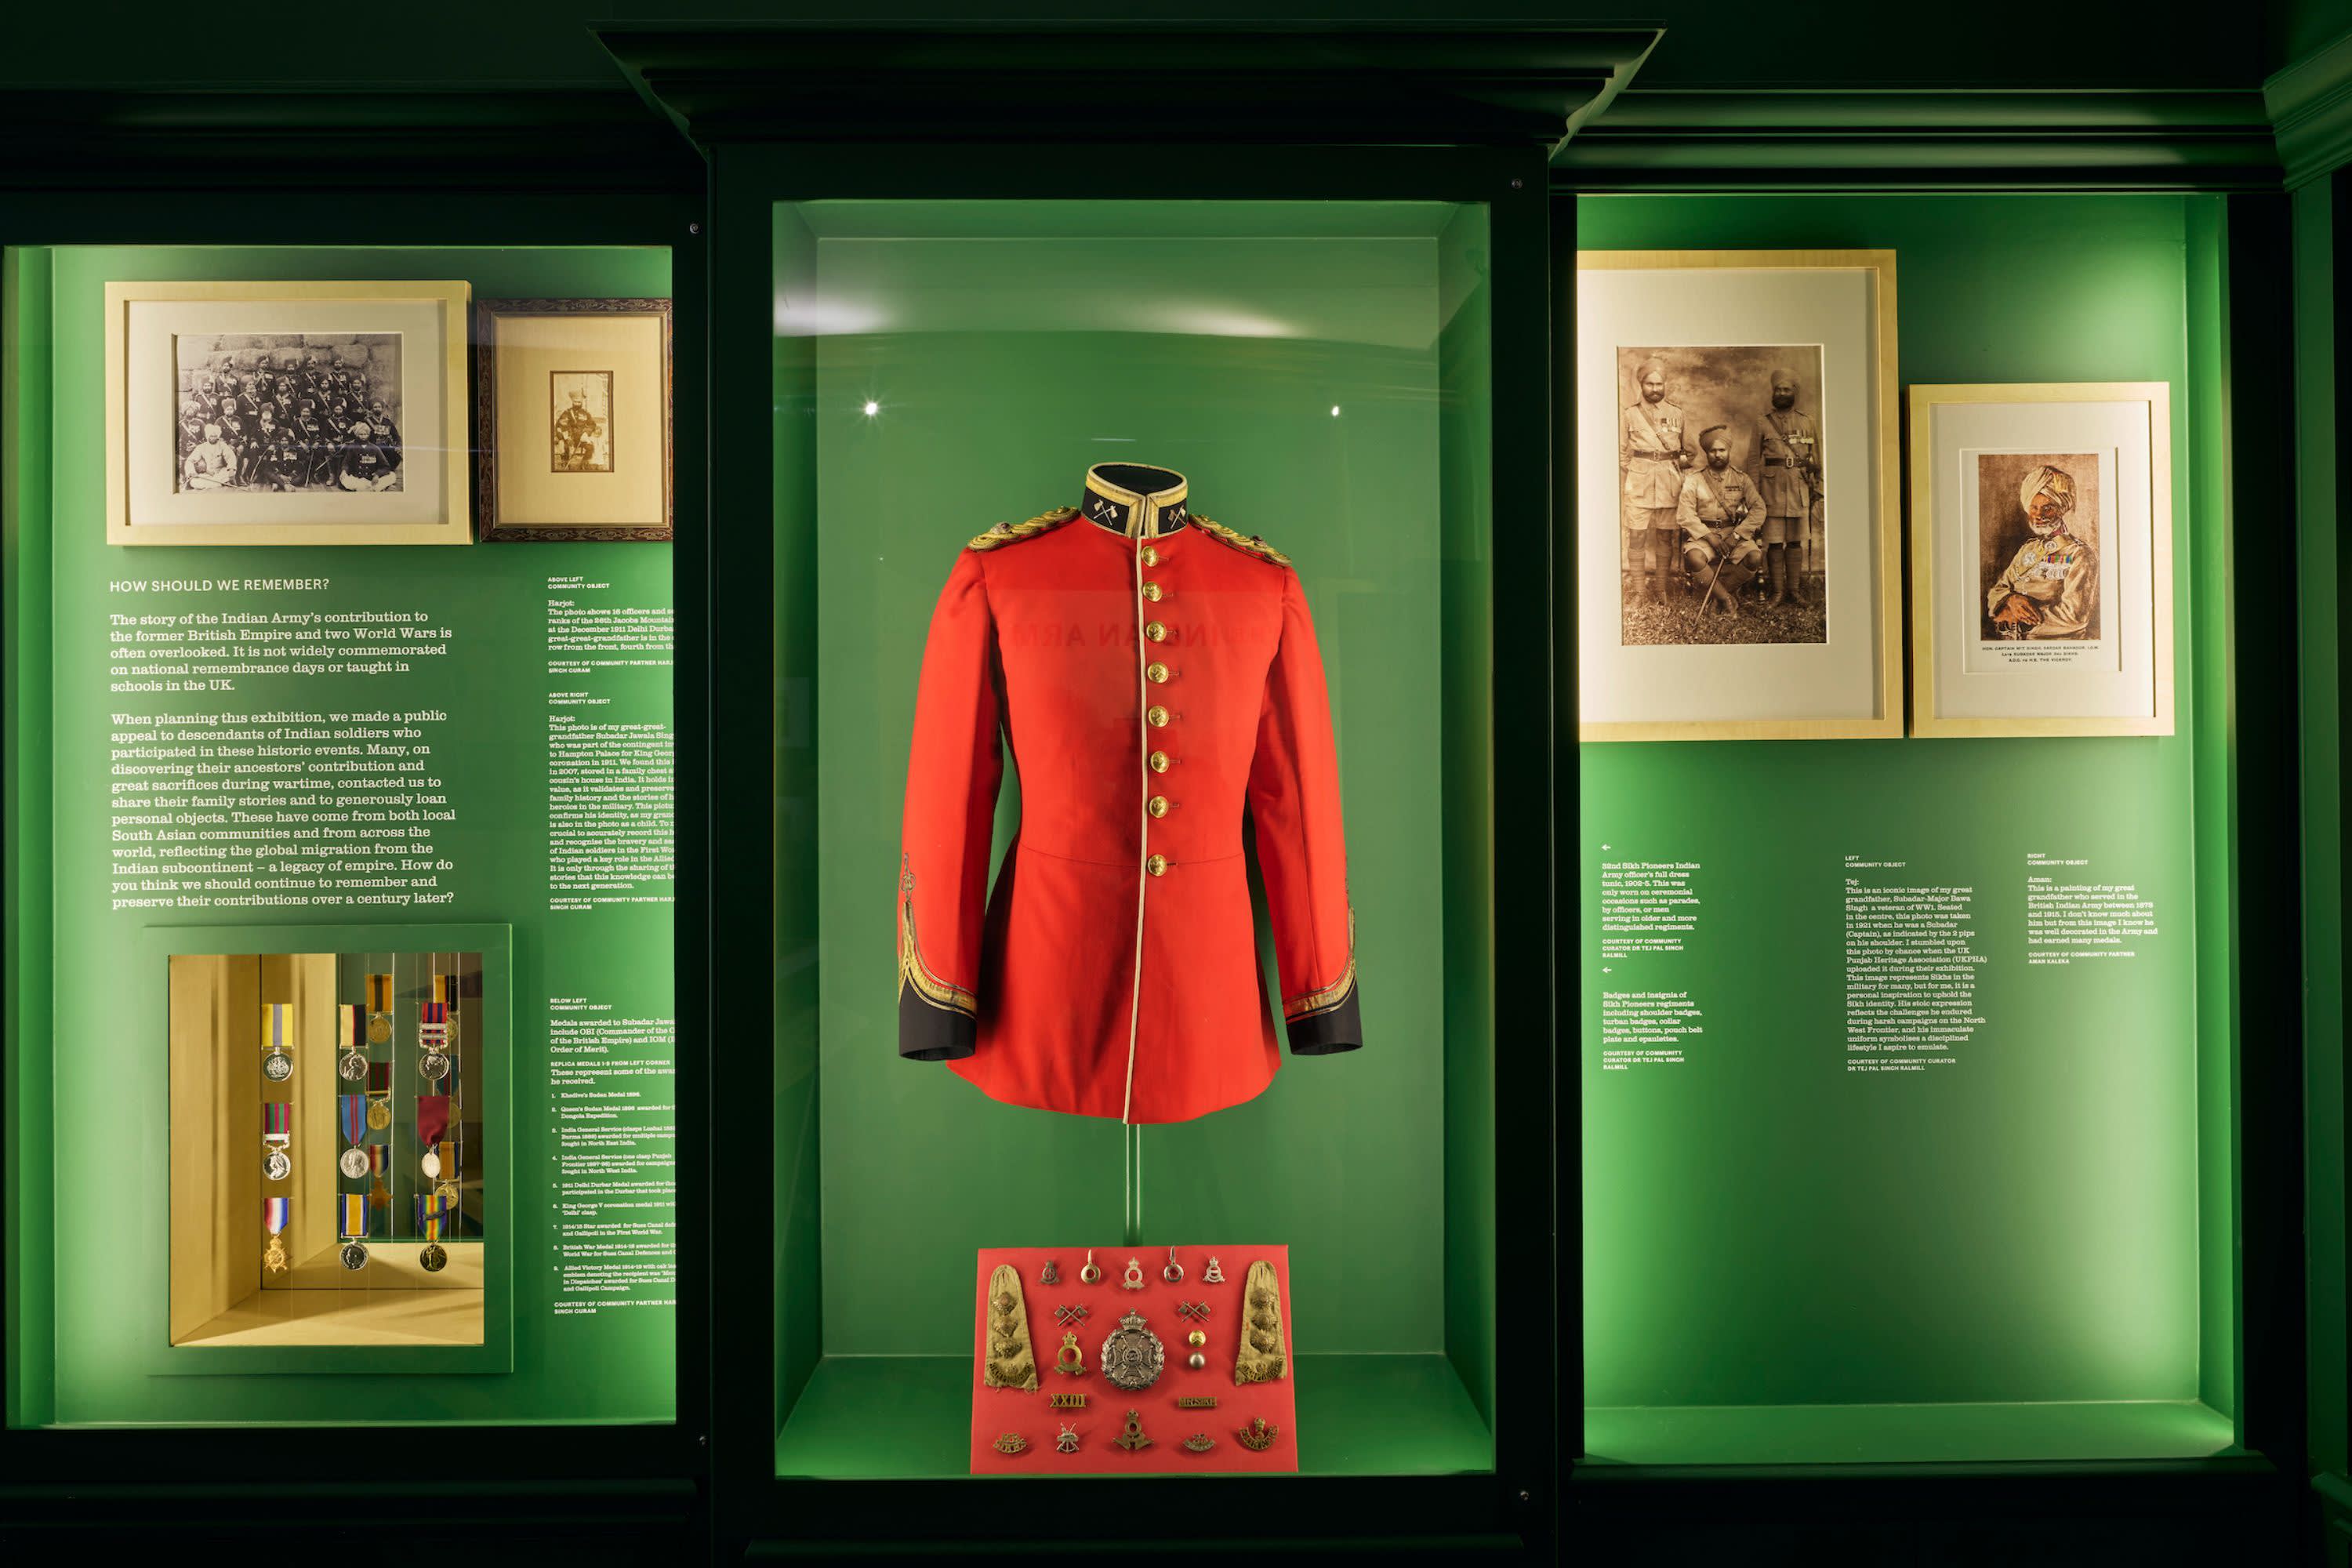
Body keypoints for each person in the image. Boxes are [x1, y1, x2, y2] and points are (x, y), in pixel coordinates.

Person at [1987, 464, 2096, 638]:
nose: (2039, 515)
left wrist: (2018, 621)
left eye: (2048, 508)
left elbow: (2074, 617)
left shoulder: (2079, 554)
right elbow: (1998, 590)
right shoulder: (2028, 548)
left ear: (2060, 509)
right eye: (2034, 507)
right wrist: (2010, 599)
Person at [1620, 357, 1697, 603]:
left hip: (1668, 485)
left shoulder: (1677, 413)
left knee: (1665, 537)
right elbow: (1620, 452)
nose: (1655, 389)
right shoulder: (1630, 414)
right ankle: (1639, 592)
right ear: (1641, 385)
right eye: (1650, 384)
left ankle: (1661, 590)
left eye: (1659, 384)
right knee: (1637, 537)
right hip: (1639, 485)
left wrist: (1675, 468)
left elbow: (1691, 451)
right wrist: (1637, 470)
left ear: (1665, 385)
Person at [1676, 426, 1765, 618]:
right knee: (1694, 557)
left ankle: (1717, 595)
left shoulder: (1742, 479)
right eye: (1712, 451)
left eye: (1722, 450)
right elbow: (1685, 514)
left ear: (1729, 451)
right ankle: (1725, 598)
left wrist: (1737, 535)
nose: (1717, 455)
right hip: (1704, 535)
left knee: (1755, 557)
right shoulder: (1694, 480)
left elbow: (1759, 509)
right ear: (1707, 453)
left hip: (1733, 535)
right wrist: (1709, 537)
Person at [1751, 367, 1820, 608]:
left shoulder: (1807, 421)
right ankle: (1778, 592)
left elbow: (1817, 459)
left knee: (1795, 541)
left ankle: (1794, 591)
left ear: (1794, 392)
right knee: (1774, 542)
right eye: (1778, 389)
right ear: (1773, 392)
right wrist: (1754, 494)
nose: (1781, 393)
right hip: (1771, 491)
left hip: (1799, 490)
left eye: (1786, 389)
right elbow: (1753, 461)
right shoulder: (1762, 423)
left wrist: (1817, 487)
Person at [336, 419, 401, 491]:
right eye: (361, 434)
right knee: (345, 480)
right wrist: (344, 471)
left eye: (365, 434)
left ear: (368, 435)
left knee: (392, 476)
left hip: (372, 479)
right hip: (357, 479)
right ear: (357, 435)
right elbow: (346, 463)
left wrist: (377, 475)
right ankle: (374, 488)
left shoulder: (375, 448)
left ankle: (373, 488)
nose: (363, 437)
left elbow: (386, 466)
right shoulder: (353, 448)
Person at [554, 386, 601, 469]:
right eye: (575, 402)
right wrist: (567, 438)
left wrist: (586, 433)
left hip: (582, 438)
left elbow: (592, 425)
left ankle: (583, 464)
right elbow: (561, 425)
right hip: (570, 437)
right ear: (572, 401)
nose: (577, 404)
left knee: (590, 447)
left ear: (581, 402)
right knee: (566, 446)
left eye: (579, 402)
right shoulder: (567, 412)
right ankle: (565, 463)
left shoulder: (585, 413)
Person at [183, 422, 237, 489]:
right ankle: (220, 483)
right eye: (211, 436)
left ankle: (216, 483)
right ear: (208, 436)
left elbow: (231, 457)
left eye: (215, 436)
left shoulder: (223, 445)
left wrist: (231, 469)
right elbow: (190, 460)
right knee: (194, 482)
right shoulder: (201, 447)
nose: (213, 438)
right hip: (207, 474)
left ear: (218, 436)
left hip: (220, 473)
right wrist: (192, 472)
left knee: (227, 474)